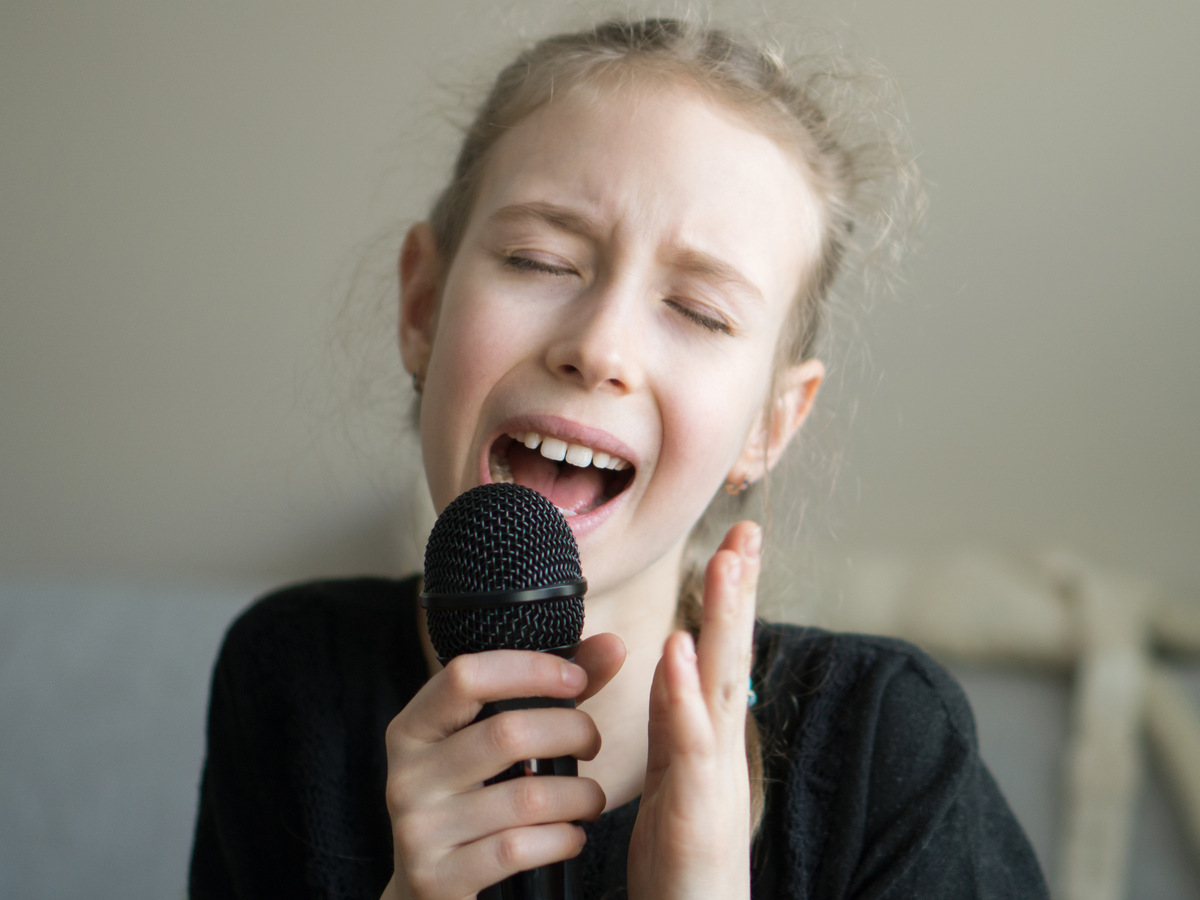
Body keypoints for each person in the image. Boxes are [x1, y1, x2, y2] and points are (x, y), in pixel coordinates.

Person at [189, 16, 1049, 900]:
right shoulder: (292, 677)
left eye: (701, 312)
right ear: (421, 309)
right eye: (539, 260)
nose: (600, 347)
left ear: (769, 423)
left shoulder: (890, 746)